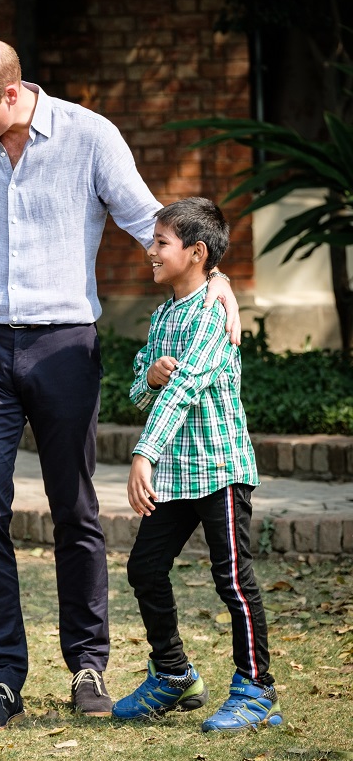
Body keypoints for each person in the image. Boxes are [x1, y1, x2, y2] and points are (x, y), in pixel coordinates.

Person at [0, 37, 240, 731]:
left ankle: (88, 664)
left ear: (12, 95)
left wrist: (212, 277)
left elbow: (147, 220)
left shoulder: (90, 137)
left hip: (65, 344)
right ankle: (2, 676)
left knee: (74, 508)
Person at [111, 197, 283, 732]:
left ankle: (257, 690)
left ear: (196, 251)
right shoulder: (163, 315)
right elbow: (141, 385)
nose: (151, 251)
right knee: (144, 568)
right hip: (178, 474)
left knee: (233, 577)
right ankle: (173, 674)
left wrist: (143, 452)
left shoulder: (212, 312)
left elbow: (188, 387)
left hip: (220, 468)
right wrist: (153, 375)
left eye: (161, 242)